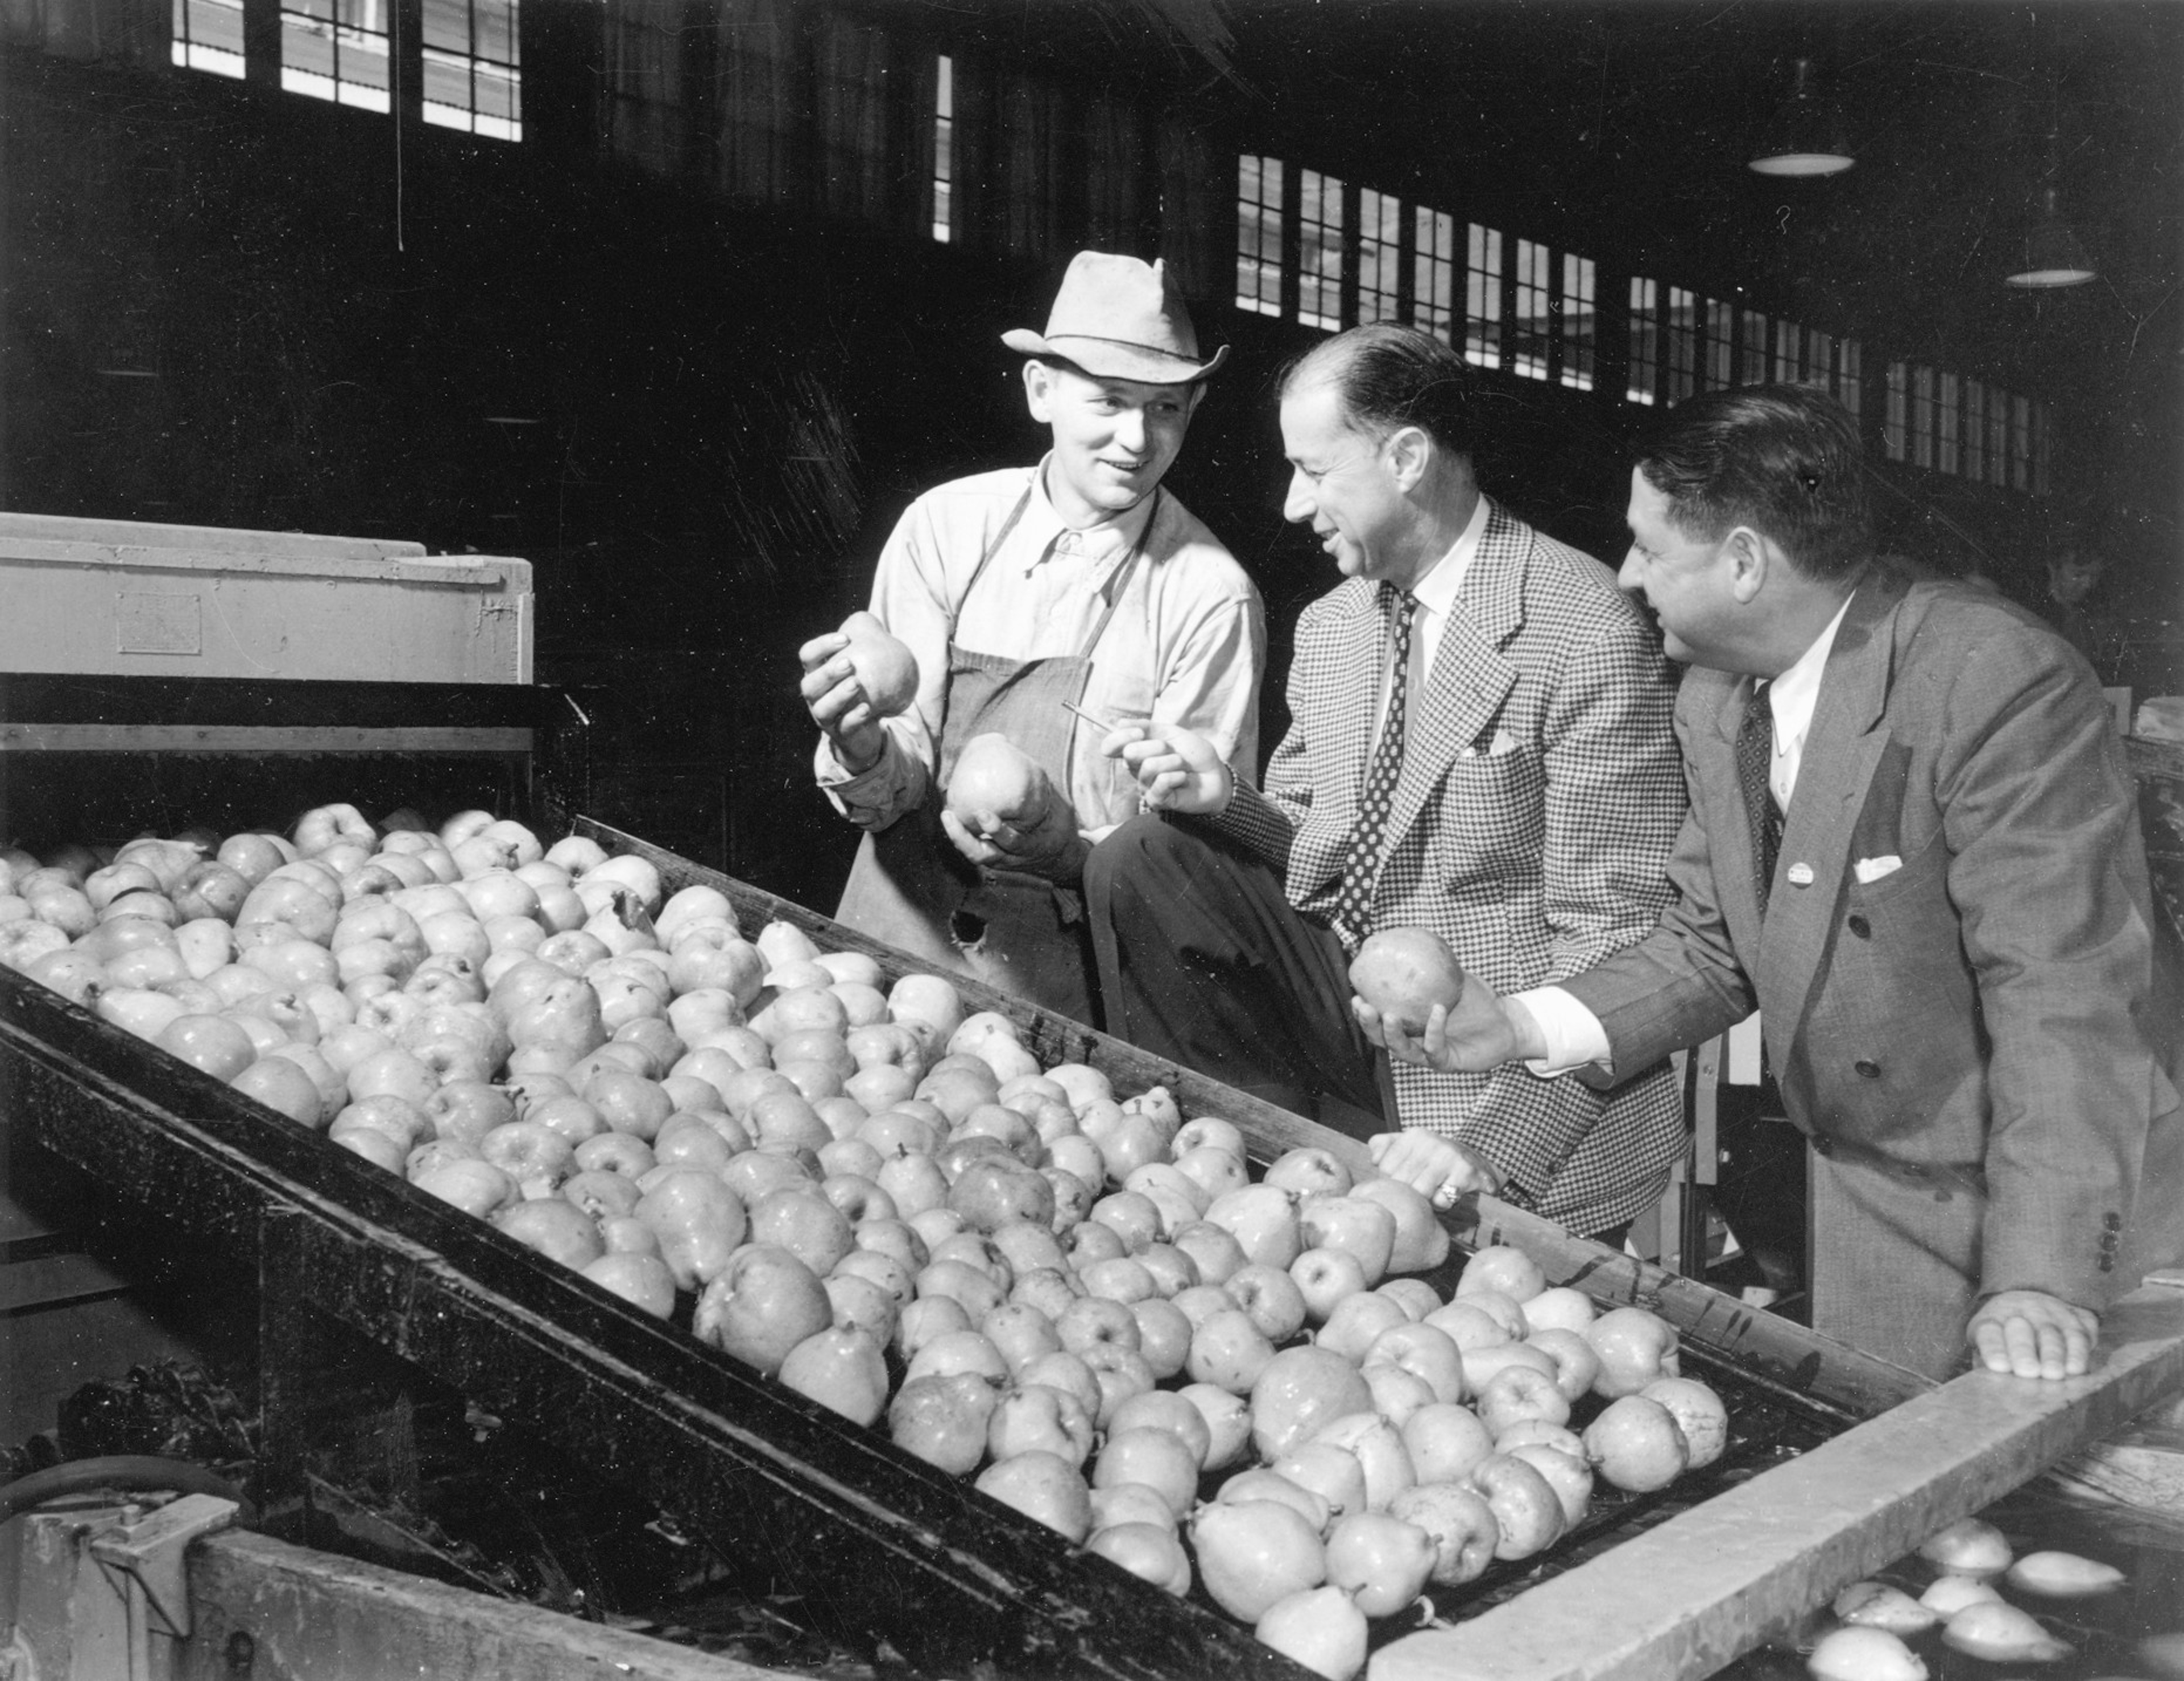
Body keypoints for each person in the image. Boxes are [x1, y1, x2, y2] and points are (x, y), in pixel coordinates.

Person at [1360, 384, 2184, 1381]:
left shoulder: (1996, 681)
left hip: (2053, 1207)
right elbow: (1710, 944)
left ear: (1747, 561)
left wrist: (2045, 1276)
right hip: (1873, 1200)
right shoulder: (1718, 697)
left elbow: (2062, 995)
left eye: (1653, 550)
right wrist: (1523, 1026)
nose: (1627, 576)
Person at [1085, 323, 1687, 1244]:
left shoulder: (1585, 629)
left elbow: (1619, 938)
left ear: (1406, 457)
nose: (1291, 505)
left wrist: (1488, 1143)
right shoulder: (1333, 627)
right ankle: (1253, 1159)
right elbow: (1334, 850)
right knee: (1150, 855)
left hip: (1498, 1077)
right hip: (1355, 1031)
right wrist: (1224, 801)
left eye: (1314, 472)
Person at [799, 251, 1264, 1022]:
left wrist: (1074, 853)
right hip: (890, 944)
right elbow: (893, 786)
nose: (1136, 440)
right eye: (1110, 402)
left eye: (1166, 409)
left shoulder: (1211, 594)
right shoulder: (946, 527)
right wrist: (860, 747)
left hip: (1076, 984)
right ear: (1041, 390)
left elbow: (1197, 858)